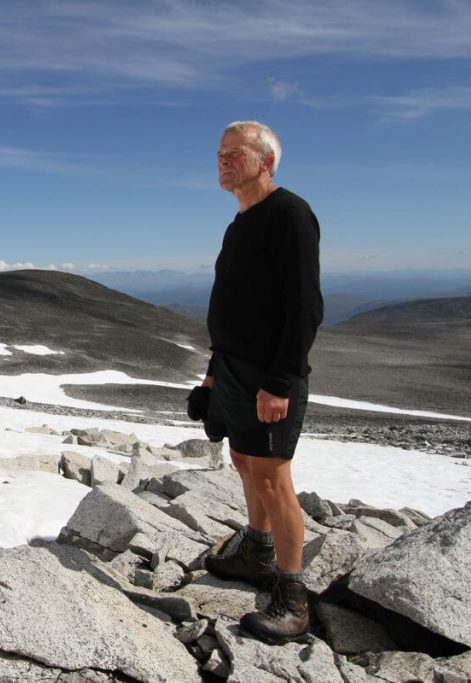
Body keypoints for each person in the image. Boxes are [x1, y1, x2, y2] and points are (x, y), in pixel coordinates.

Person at [187, 120, 323, 644]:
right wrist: (212, 376)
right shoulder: (240, 222)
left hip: (269, 377)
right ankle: (255, 551)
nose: (222, 160)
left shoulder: (289, 213)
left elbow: (305, 307)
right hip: (235, 371)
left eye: (234, 153)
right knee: (244, 461)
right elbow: (236, 308)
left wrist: (281, 381)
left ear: (265, 161)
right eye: (219, 153)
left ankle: (292, 597)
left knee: (272, 476)